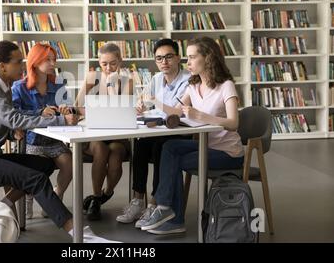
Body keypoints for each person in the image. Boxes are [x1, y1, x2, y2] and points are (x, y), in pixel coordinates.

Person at [0, 39, 119, 243]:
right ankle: (80, 234)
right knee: (36, 179)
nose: (23, 65)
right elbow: (11, 118)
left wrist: (13, 133)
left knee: (44, 165)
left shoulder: (3, 85)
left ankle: (2, 205)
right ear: (2, 66)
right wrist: (58, 119)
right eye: (18, 61)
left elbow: (1, 119)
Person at [140, 37, 245, 234]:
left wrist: (200, 116)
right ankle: (165, 209)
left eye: (192, 57)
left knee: (176, 160)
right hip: (206, 146)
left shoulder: (226, 86)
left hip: (227, 152)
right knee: (170, 147)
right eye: (187, 58)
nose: (187, 63)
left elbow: (234, 123)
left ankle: (174, 218)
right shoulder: (193, 85)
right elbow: (176, 112)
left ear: (208, 58)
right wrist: (154, 101)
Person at [115, 39, 190, 228]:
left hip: (180, 131)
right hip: (157, 128)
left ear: (178, 57)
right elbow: (146, 102)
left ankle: (154, 204)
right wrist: (141, 106)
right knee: (140, 145)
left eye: (168, 57)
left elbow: (175, 111)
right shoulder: (157, 79)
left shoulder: (188, 80)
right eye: (159, 58)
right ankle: (138, 200)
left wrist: (154, 102)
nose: (164, 62)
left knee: (160, 148)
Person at [12, 43, 73, 219]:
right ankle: (28, 200)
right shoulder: (19, 87)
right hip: (31, 140)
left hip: (54, 140)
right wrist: (38, 112)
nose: (53, 63)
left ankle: (57, 195)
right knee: (34, 170)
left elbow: (70, 108)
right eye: (48, 60)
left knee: (69, 163)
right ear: (35, 61)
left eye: (54, 59)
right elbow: (13, 114)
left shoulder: (58, 84)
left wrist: (66, 109)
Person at [75, 42, 133, 221]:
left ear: (120, 61)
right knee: (100, 149)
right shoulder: (92, 78)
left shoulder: (127, 81)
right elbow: (77, 106)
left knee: (115, 155)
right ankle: (96, 197)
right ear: (98, 62)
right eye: (104, 64)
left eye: (113, 63)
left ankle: (104, 194)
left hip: (117, 133)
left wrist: (111, 84)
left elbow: (123, 108)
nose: (108, 68)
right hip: (94, 133)